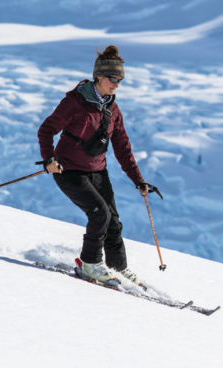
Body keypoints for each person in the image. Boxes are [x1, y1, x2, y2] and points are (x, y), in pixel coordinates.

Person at [37, 45, 148, 286]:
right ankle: (89, 264)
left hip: (98, 170)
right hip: (68, 170)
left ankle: (117, 266)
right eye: (112, 78)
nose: (117, 84)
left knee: (113, 221)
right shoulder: (75, 102)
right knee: (100, 213)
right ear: (98, 76)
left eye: (120, 79)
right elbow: (46, 129)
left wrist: (138, 180)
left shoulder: (112, 109)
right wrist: (49, 159)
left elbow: (123, 147)